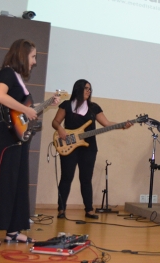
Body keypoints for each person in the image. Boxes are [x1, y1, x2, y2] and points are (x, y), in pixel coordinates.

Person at [0, 39, 60, 246]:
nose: (35, 62)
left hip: (18, 138)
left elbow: (23, 111)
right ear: (22, 55)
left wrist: (47, 104)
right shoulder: (7, 73)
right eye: (33, 56)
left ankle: (13, 231)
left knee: (17, 184)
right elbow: (0, 96)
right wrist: (27, 109)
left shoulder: (17, 78)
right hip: (6, 137)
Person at [53, 79, 132, 220]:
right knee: (66, 178)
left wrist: (122, 125)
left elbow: (106, 124)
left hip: (89, 149)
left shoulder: (94, 107)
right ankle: (61, 209)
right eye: (86, 88)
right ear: (78, 89)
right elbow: (55, 122)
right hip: (68, 146)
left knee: (86, 179)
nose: (89, 91)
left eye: (90, 89)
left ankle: (89, 210)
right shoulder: (66, 105)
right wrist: (60, 129)